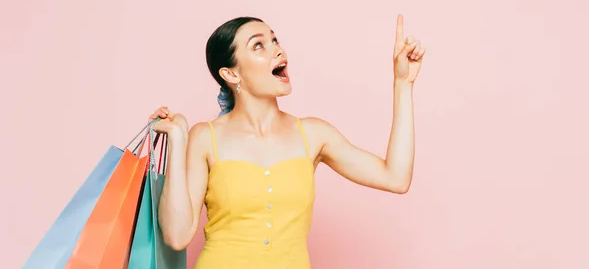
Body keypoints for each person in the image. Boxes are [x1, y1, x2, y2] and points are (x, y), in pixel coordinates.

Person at [149, 15, 426, 268]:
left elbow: (396, 178)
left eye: (274, 40)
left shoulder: (314, 134)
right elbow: (176, 235)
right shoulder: (204, 137)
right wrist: (177, 138)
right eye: (258, 46)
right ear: (231, 74)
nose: (277, 50)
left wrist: (403, 84)